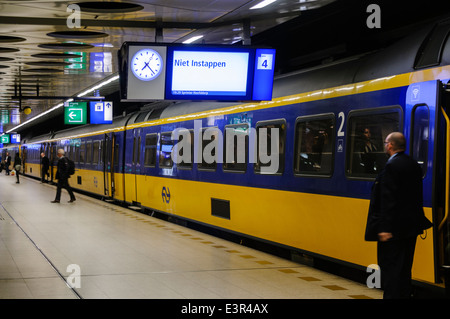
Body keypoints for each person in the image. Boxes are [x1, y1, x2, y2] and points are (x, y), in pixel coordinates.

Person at [365, 132, 432, 299]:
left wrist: (385, 228)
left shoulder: (391, 166)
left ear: (390, 145)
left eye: (386, 142)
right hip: (411, 229)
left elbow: (388, 200)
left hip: (394, 231)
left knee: (391, 271)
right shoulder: (413, 165)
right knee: (404, 270)